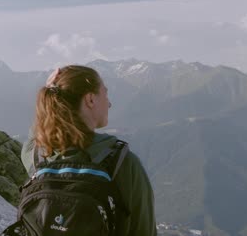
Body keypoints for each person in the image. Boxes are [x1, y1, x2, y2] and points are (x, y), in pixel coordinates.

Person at [20, 65, 157, 236]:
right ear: (90, 99)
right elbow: (144, 230)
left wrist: (50, 92)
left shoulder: (37, 156)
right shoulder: (122, 163)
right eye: (105, 94)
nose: (109, 103)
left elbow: (38, 133)